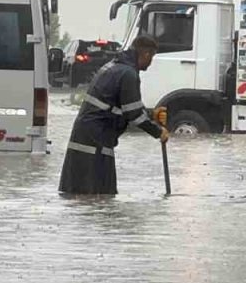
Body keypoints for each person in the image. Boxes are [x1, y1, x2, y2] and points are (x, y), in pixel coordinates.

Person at [59, 35, 168, 195]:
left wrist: (152, 115)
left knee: (81, 194)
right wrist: (159, 132)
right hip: (96, 141)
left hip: (87, 135)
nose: (151, 63)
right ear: (146, 54)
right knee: (99, 194)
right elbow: (134, 115)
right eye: (152, 57)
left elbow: (127, 106)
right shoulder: (129, 74)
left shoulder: (114, 66)